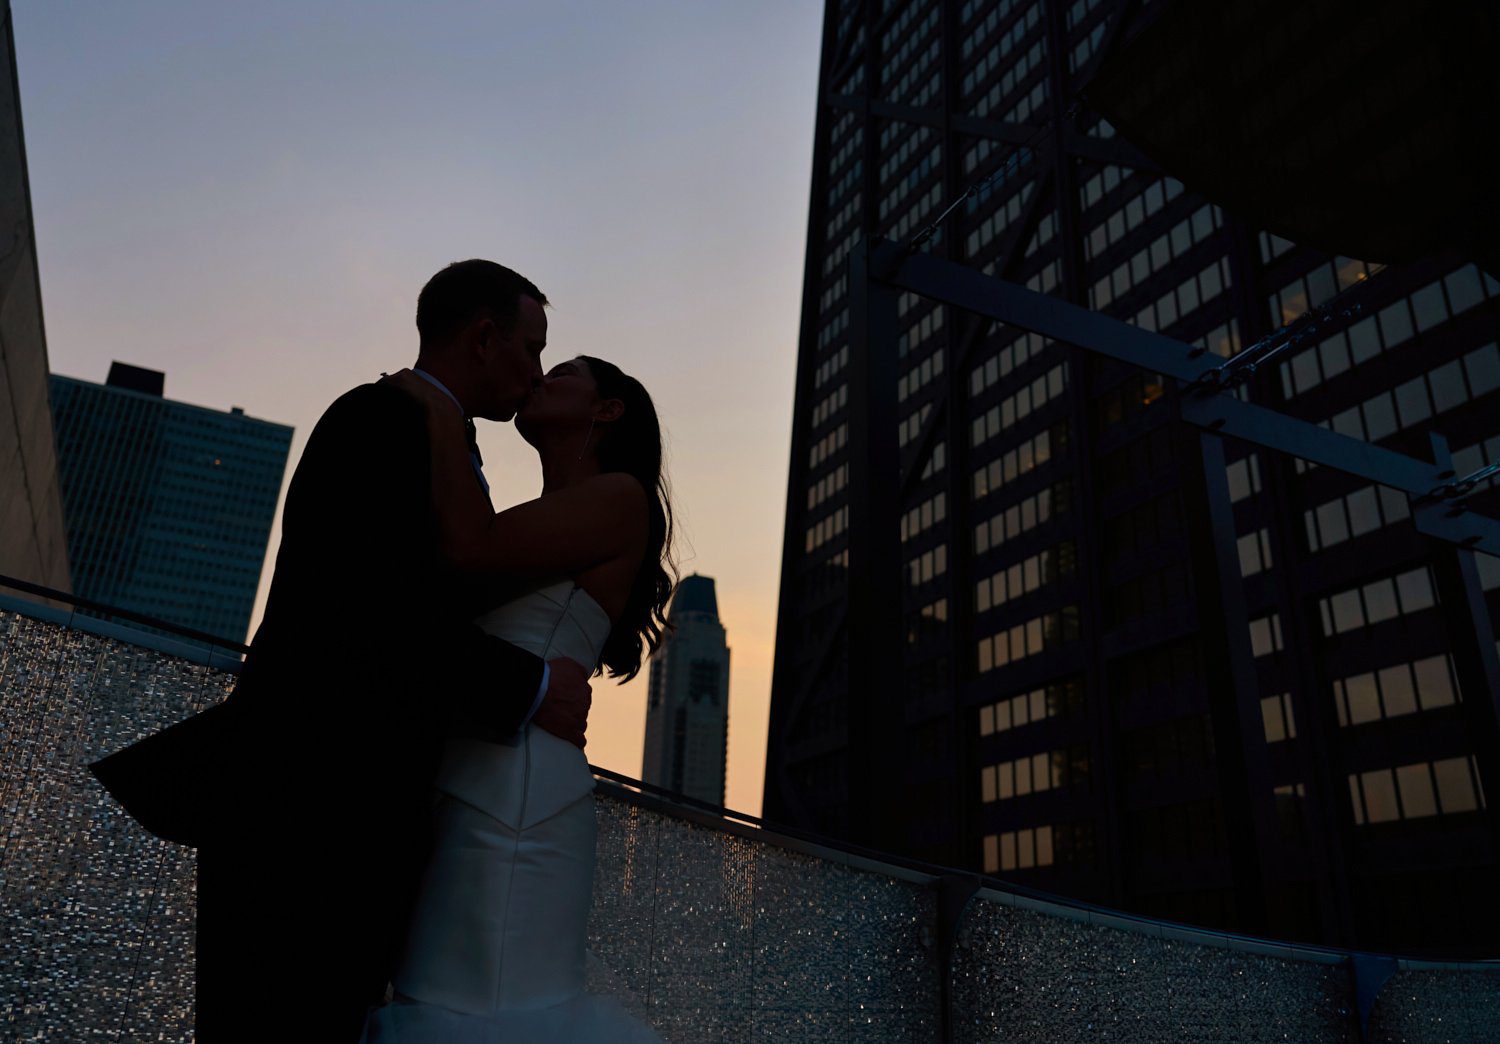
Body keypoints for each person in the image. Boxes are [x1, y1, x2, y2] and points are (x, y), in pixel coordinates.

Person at [88, 260, 595, 1041]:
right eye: (532, 349)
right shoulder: (382, 420)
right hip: (308, 813)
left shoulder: (435, 438)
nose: (535, 372)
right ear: (485, 338)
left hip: (352, 822)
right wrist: (530, 686)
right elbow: (367, 612)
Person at [358, 352, 674, 1042]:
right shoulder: (543, 517)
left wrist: (440, 410)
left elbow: (468, 552)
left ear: (607, 410)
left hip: (516, 791)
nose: (537, 377)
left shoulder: (620, 497)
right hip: (474, 775)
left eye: (560, 372)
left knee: (476, 1003)